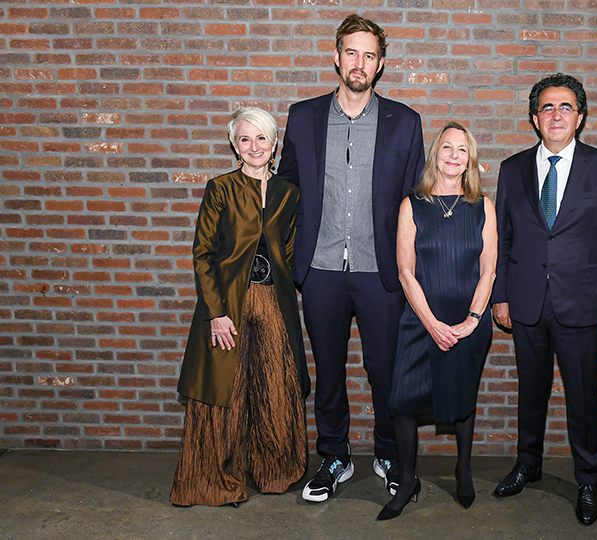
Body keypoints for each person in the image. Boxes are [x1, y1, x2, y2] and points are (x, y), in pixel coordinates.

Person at [277, 13, 425, 503]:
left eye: (369, 55)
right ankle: (334, 456)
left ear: (380, 65)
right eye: (351, 52)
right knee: (330, 372)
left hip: (380, 272)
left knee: (385, 371)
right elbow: (286, 190)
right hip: (319, 272)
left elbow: (412, 203)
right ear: (335, 56)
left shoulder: (405, 122)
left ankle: (388, 454)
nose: (359, 63)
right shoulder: (302, 116)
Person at [491, 73, 597, 526]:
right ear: (535, 118)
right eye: (548, 108)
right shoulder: (512, 169)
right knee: (530, 393)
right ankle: (527, 464)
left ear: (581, 117)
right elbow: (503, 239)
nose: (556, 115)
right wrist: (500, 296)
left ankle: (588, 479)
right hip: (527, 301)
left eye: (566, 107)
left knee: (583, 398)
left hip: (584, 304)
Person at [171, 107, 309, 507]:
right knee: (225, 392)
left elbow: (290, 249)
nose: (254, 146)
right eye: (245, 139)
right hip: (228, 303)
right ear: (234, 144)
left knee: (275, 386)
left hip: (273, 301)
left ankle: (274, 471)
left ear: (274, 143)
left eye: (261, 138)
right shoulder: (221, 188)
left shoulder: (288, 193)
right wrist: (215, 313)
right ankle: (218, 481)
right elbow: (203, 254)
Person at [376, 122, 497, 521]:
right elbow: (405, 271)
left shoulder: (483, 206)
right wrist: (431, 323)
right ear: (435, 154)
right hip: (420, 319)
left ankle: (463, 471)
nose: (453, 155)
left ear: (470, 160)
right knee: (402, 405)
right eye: (447, 147)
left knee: (463, 401)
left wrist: (472, 320)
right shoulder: (412, 205)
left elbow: (489, 271)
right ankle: (407, 480)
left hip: (468, 322)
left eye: (462, 150)